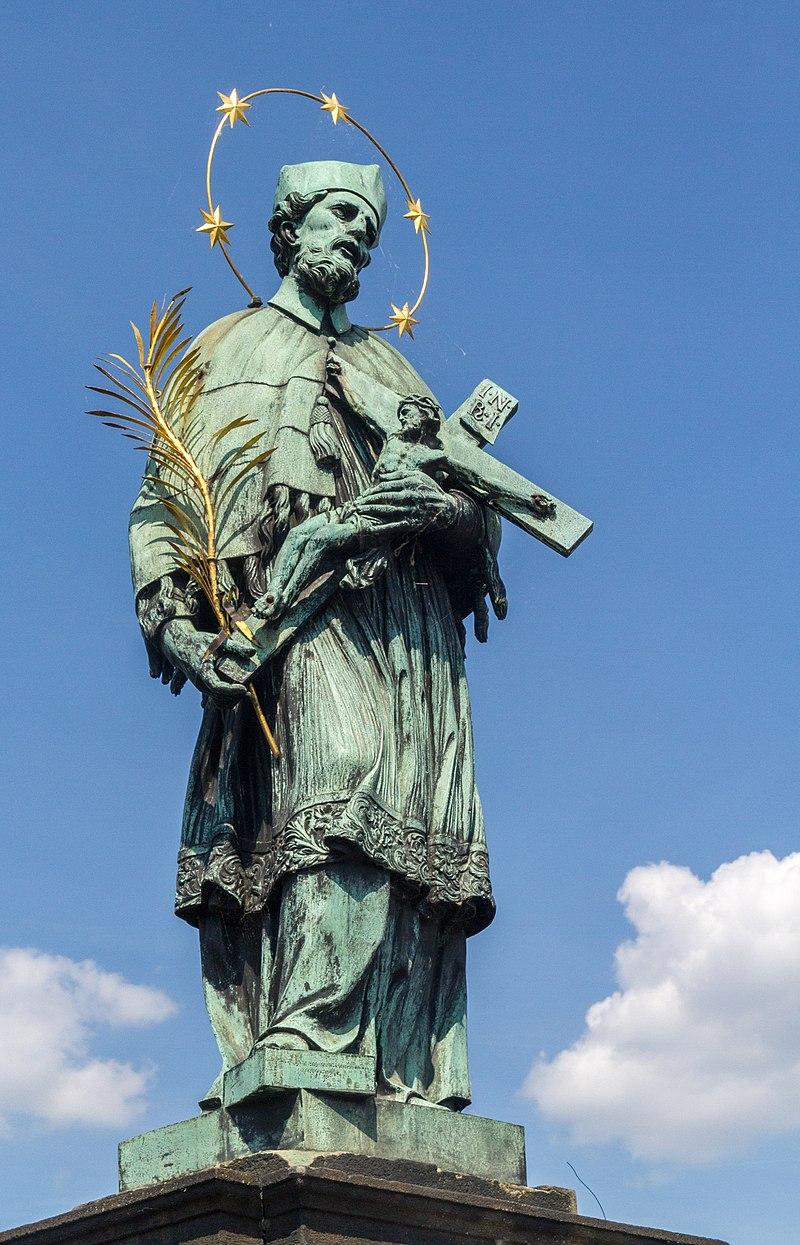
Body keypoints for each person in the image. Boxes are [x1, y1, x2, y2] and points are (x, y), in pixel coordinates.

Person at [129, 160, 505, 1110]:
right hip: (292, 620)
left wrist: (450, 512)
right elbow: (163, 505)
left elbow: (477, 527)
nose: (358, 242)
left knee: (395, 824)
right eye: (341, 219)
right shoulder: (226, 348)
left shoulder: (394, 367)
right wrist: (178, 631)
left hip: (406, 629)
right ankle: (303, 1029)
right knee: (334, 787)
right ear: (288, 227)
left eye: (371, 234)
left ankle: (389, 1064)